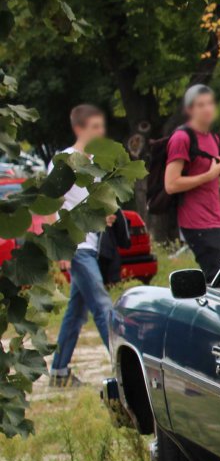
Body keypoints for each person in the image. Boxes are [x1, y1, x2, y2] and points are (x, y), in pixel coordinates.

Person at [49, 105, 119, 388]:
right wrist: (60, 249)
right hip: (75, 246)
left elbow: (89, 203)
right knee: (103, 306)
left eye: (102, 127)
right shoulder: (65, 160)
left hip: (91, 242)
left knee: (77, 312)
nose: (100, 132)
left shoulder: (96, 164)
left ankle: (59, 372)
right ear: (80, 128)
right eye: (95, 127)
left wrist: (107, 214)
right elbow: (53, 202)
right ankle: (123, 366)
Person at [164, 84, 220, 281]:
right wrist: (210, 175)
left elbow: (209, 173)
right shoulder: (181, 138)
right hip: (196, 221)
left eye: (210, 104)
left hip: (217, 219)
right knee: (217, 280)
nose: (207, 109)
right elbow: (171, 184)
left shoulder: (211, 137)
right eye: (200, 105)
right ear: (189, 110)